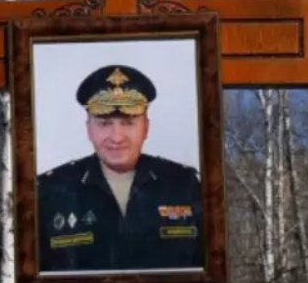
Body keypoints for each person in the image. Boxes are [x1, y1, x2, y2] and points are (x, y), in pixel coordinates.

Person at [36, 64, 203, 272]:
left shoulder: (183, 185)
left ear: (146, 127)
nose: (116, 137)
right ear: (88, 129)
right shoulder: (52, 191)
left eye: (128, 122)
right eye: (104, 123)